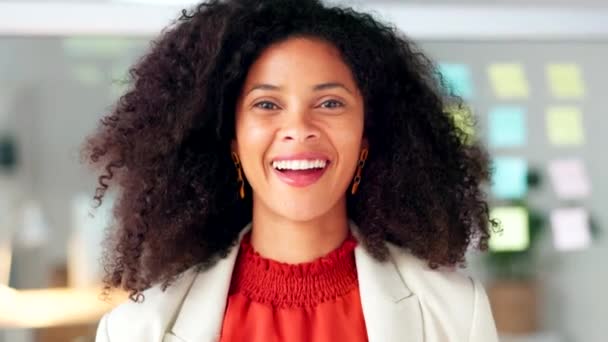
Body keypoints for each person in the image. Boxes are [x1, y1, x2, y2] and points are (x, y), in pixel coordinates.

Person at [85, 0, 500, 341]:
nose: (299, 130)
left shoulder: (458, 316)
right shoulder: (134, 331)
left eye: (330, 103)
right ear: (232, 142)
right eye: (266, 105)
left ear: (366, 140)